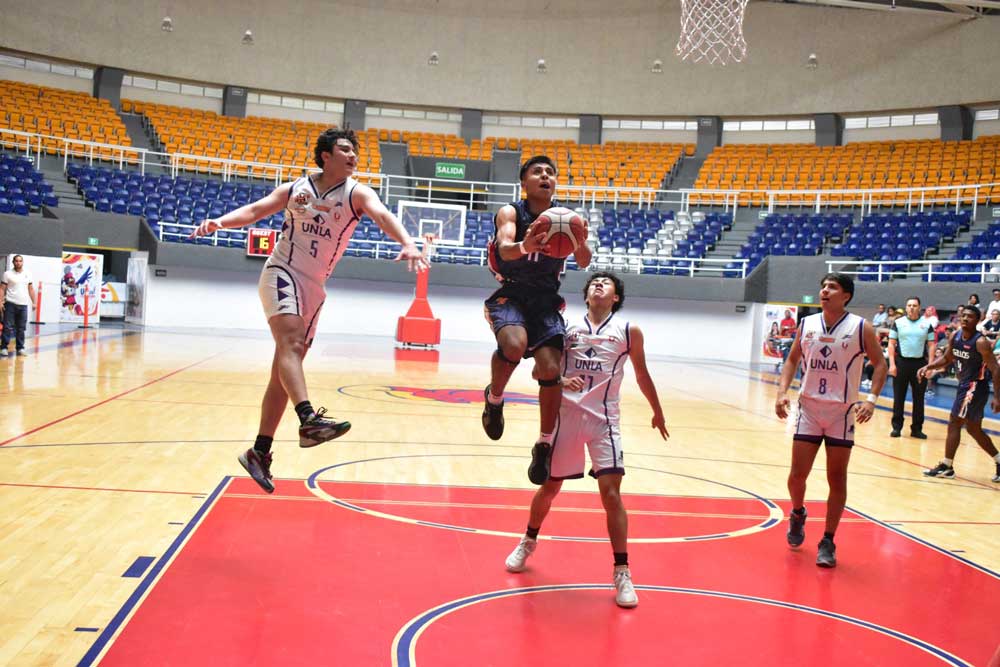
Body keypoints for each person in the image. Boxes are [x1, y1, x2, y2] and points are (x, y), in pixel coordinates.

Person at [190, 128, 429, 493]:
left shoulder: (358, 193)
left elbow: (382, 216)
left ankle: (260, 452)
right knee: (290, 345)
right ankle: (309, 420)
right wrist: (219, 222)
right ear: (325, 156)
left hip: (314, 289)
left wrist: (409, 243)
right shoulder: (295, 188)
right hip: (281, 272)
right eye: (345, 150)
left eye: (355, 152)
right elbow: (256, 210)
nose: (353, 157)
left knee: (283, 375)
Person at [502, 272, 668, 608]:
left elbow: (642, 374)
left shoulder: (628, 331)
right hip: (566, 417)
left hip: (604, 420)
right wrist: (562, 379)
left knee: (611, 494)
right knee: (549, 487)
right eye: (594, 282)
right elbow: (539, 372)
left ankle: (622, 571)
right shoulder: (565, 328)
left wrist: (657, 411)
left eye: (606, 283)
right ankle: (528, 541)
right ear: (587, 293)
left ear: (616, 297)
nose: (598, 285)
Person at [481, 155, 592, 484]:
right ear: (524, 183)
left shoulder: (568, 218)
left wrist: (578, 239)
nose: (545, 176)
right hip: (512, 293)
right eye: (537, 172)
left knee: (549, 370)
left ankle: (544, 444)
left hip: (545, 300)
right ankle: (494, 399)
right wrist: (524, 245)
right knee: (515, 345)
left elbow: (584, 261)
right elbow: (503, 248)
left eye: (550, 173)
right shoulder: (511, 211)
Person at [775, 273, 886, 568]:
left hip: (842, 412)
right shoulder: (807, 323)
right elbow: (791, 360)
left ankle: (828, 539)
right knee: (797, 476)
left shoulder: (861, 327)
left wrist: (871, 400)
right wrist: (782, 391)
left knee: (836, 478)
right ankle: (797, 513)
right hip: (809, 409)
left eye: (832, 287)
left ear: (846, 295)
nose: (824, 290)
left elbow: (881, 365)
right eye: (822, 286)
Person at [918, 305, 1000, 484]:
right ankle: (999, 461)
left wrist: (997, 397)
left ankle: (947, 466)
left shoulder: (980, 342)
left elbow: (995, 368)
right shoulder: (955, 336)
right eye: (963, 316)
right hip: (964, 385)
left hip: (975, 386)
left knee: (954, 422)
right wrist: (928, 366)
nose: (964, 319)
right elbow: (947, 358)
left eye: (970, 317)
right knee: (973, 429)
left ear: (977, 320)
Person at [887, 297, 936, 439]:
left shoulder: (927, 324)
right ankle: (896, 427)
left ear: (919, 307)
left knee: (919, 399)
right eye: (909, 305)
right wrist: (892, 364)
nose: (911, 308)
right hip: (901, 363)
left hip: (920, 364)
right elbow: (891, 344)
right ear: (906, 307)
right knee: (898, 397)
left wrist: (930, 366)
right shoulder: (898, 323)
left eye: (914, 305)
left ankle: (917, 429)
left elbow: (932, 345)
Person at [0, 255, 37, 357]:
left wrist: (34, 302)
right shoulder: (7, 274)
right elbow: (2, 289)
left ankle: (20, 348)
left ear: (22, 262)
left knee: (21, 328)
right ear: (13, 262)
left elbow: (30, 289)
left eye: (20, 261)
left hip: (23, 305)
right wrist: (0, 301)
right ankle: (4, 348)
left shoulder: (27, 274)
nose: (18, 263)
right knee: (7, 327)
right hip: (10, 304)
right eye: (16, 261)